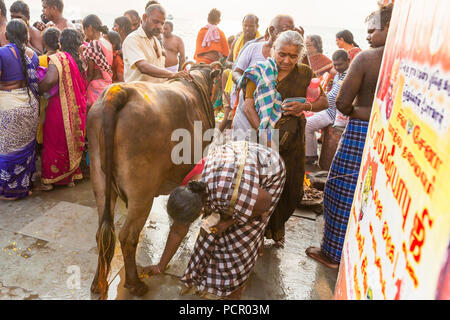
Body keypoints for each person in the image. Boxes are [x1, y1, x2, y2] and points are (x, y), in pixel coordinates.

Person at [306, 4, 393, 268]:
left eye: (372, 30)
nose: (366, 36)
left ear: (389, 27)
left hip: (361, 129)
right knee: (373, 195)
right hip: (390, 135)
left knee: (340, 188)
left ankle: (332, 253)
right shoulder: (410, 60)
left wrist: (361, 111)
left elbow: (342, 103)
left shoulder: (368, 58)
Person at [142, 141, 286, 300]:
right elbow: (177, 230)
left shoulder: (229, 194)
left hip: (271, 169)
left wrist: (228, 222)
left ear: (201, 208)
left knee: (243, 236)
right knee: (212, 229)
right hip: (243, 163)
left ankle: (236, 288)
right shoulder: (190, 187)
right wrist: (160, 266)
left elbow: (264, 205)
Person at [235, 31, 329, 247]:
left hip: (293, 142)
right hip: (261, 141)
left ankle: (275, 229)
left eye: (293, 56)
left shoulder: (306, 74)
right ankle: (253, 234)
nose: (287, 61)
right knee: (260, 189)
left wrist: (304, 106)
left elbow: (323, 101)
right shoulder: (257, 72)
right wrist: (267, 137)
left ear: (300, 56)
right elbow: (248, 106)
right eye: (282, 54)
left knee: (292, 190)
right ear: (273, 51)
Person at [231, 15, 302, 135]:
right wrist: (244, 82)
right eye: (286, 30)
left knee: (269, 150)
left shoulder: (290, 55)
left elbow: (305, 73)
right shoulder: (253, 48)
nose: (289, 34)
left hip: (275, 118)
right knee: (244, 149)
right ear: (272, 30)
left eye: (292, 31)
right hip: (247, 113)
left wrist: (300, 40)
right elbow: (236, 72)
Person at [35, 28, 87, 191]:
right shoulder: (76, 59)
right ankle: (69, 176)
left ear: (61, 42)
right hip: (75, 107)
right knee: (68, 140)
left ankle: (50, 180)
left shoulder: (58, 58)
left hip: (58, 106)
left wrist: (37, 87)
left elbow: (50, 80)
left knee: (54, 141)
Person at [0, 19, 40, 200]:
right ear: (27, 36)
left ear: (6, 35)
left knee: (6, 152)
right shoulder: (32, 56)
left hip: (8, 108)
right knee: (23, 152)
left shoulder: (2, 53)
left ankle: (7, 192)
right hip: (30, 108)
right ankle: (23, 187)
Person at [122, 4, 191, 83]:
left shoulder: (155, 40)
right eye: (155, 21)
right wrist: (172, 74)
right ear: (144, 18)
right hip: (139, 92)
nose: (159, 26)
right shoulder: (133, 39)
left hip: (157, 90)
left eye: (162, 23)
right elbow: (143, 67)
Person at [304, 49, 350, 164]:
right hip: (328, 110)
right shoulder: (338, 75)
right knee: (304, 120)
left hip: (334, 115)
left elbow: (337, 98)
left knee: (307, 125)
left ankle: (310, 156)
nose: (337, 67)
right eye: (335, 64)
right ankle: (310, 152)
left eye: (340, 64)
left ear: (348, 61)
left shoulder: (349, 75)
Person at [82, 14, 113, 109]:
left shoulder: (93, 44)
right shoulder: (107, 43)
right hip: (107, 86)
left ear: (90, 28)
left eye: (85, 30)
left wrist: (83, 89)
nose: (84, 33)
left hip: (95, 88)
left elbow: (90, 74)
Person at [36, 27, 60, 145]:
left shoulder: (40, 60)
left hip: (43, 100)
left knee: (42, 123)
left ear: (44, 42)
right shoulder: (63, 58)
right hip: (59, 102)